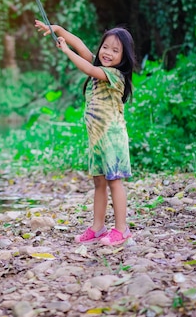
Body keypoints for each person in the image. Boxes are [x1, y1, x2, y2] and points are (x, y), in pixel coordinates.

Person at [35, 20, 136, 246]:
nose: (108, 52)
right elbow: (81, 46)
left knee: (114, 182)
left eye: (115, 50)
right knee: (99, 183)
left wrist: (66, 51)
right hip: (98, 140)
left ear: (124, 56)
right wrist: (59, 30)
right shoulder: (100, 67)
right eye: (105, 47)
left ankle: (122, 229)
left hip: (113, 139)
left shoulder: (113, 75)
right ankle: (97, 227)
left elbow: (88, 68)